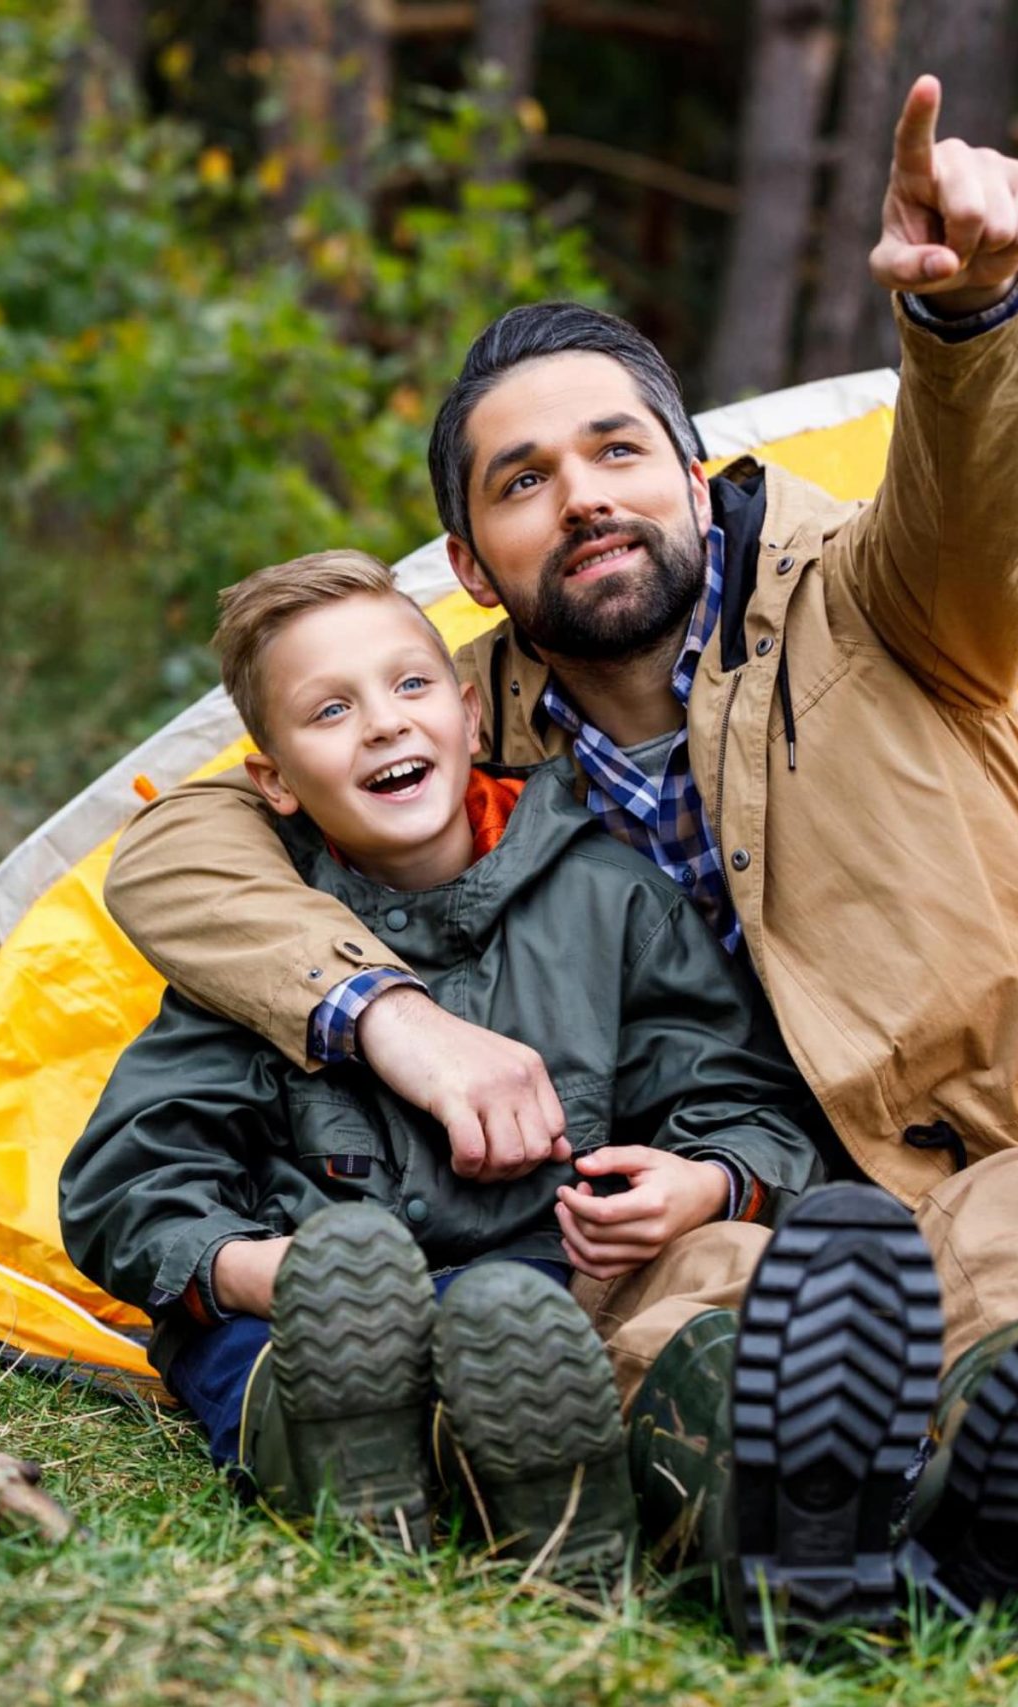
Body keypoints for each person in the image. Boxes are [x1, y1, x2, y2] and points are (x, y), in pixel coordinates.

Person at [97, 76, 1018, 1631]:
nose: (583, 496)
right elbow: (182, 846)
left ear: (693, 470)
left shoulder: (889, 608)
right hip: (691, 1223)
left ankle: (969, 1518)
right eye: (523, 480)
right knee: (708, 1308)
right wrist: (392, 1017)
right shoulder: (454, 720)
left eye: (616, 450)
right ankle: (857, 1524)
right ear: (474, 567)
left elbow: (987, 507)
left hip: (947, 1172)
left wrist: (977, 319)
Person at [60, 548, 829, 1583]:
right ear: (273, 782)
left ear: (471, 719)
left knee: (673, 1306)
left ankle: (674, 1491)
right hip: (316, 1314)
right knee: (270, 1355)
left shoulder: (610, 902)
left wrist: (700, 1181)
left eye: (409, 685)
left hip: (551, 1300)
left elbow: (733, 1096)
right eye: (328, 712)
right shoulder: (255, 947)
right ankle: (356, 1469)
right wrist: (263, 1270)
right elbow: (132, 1183)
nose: (381, 723)